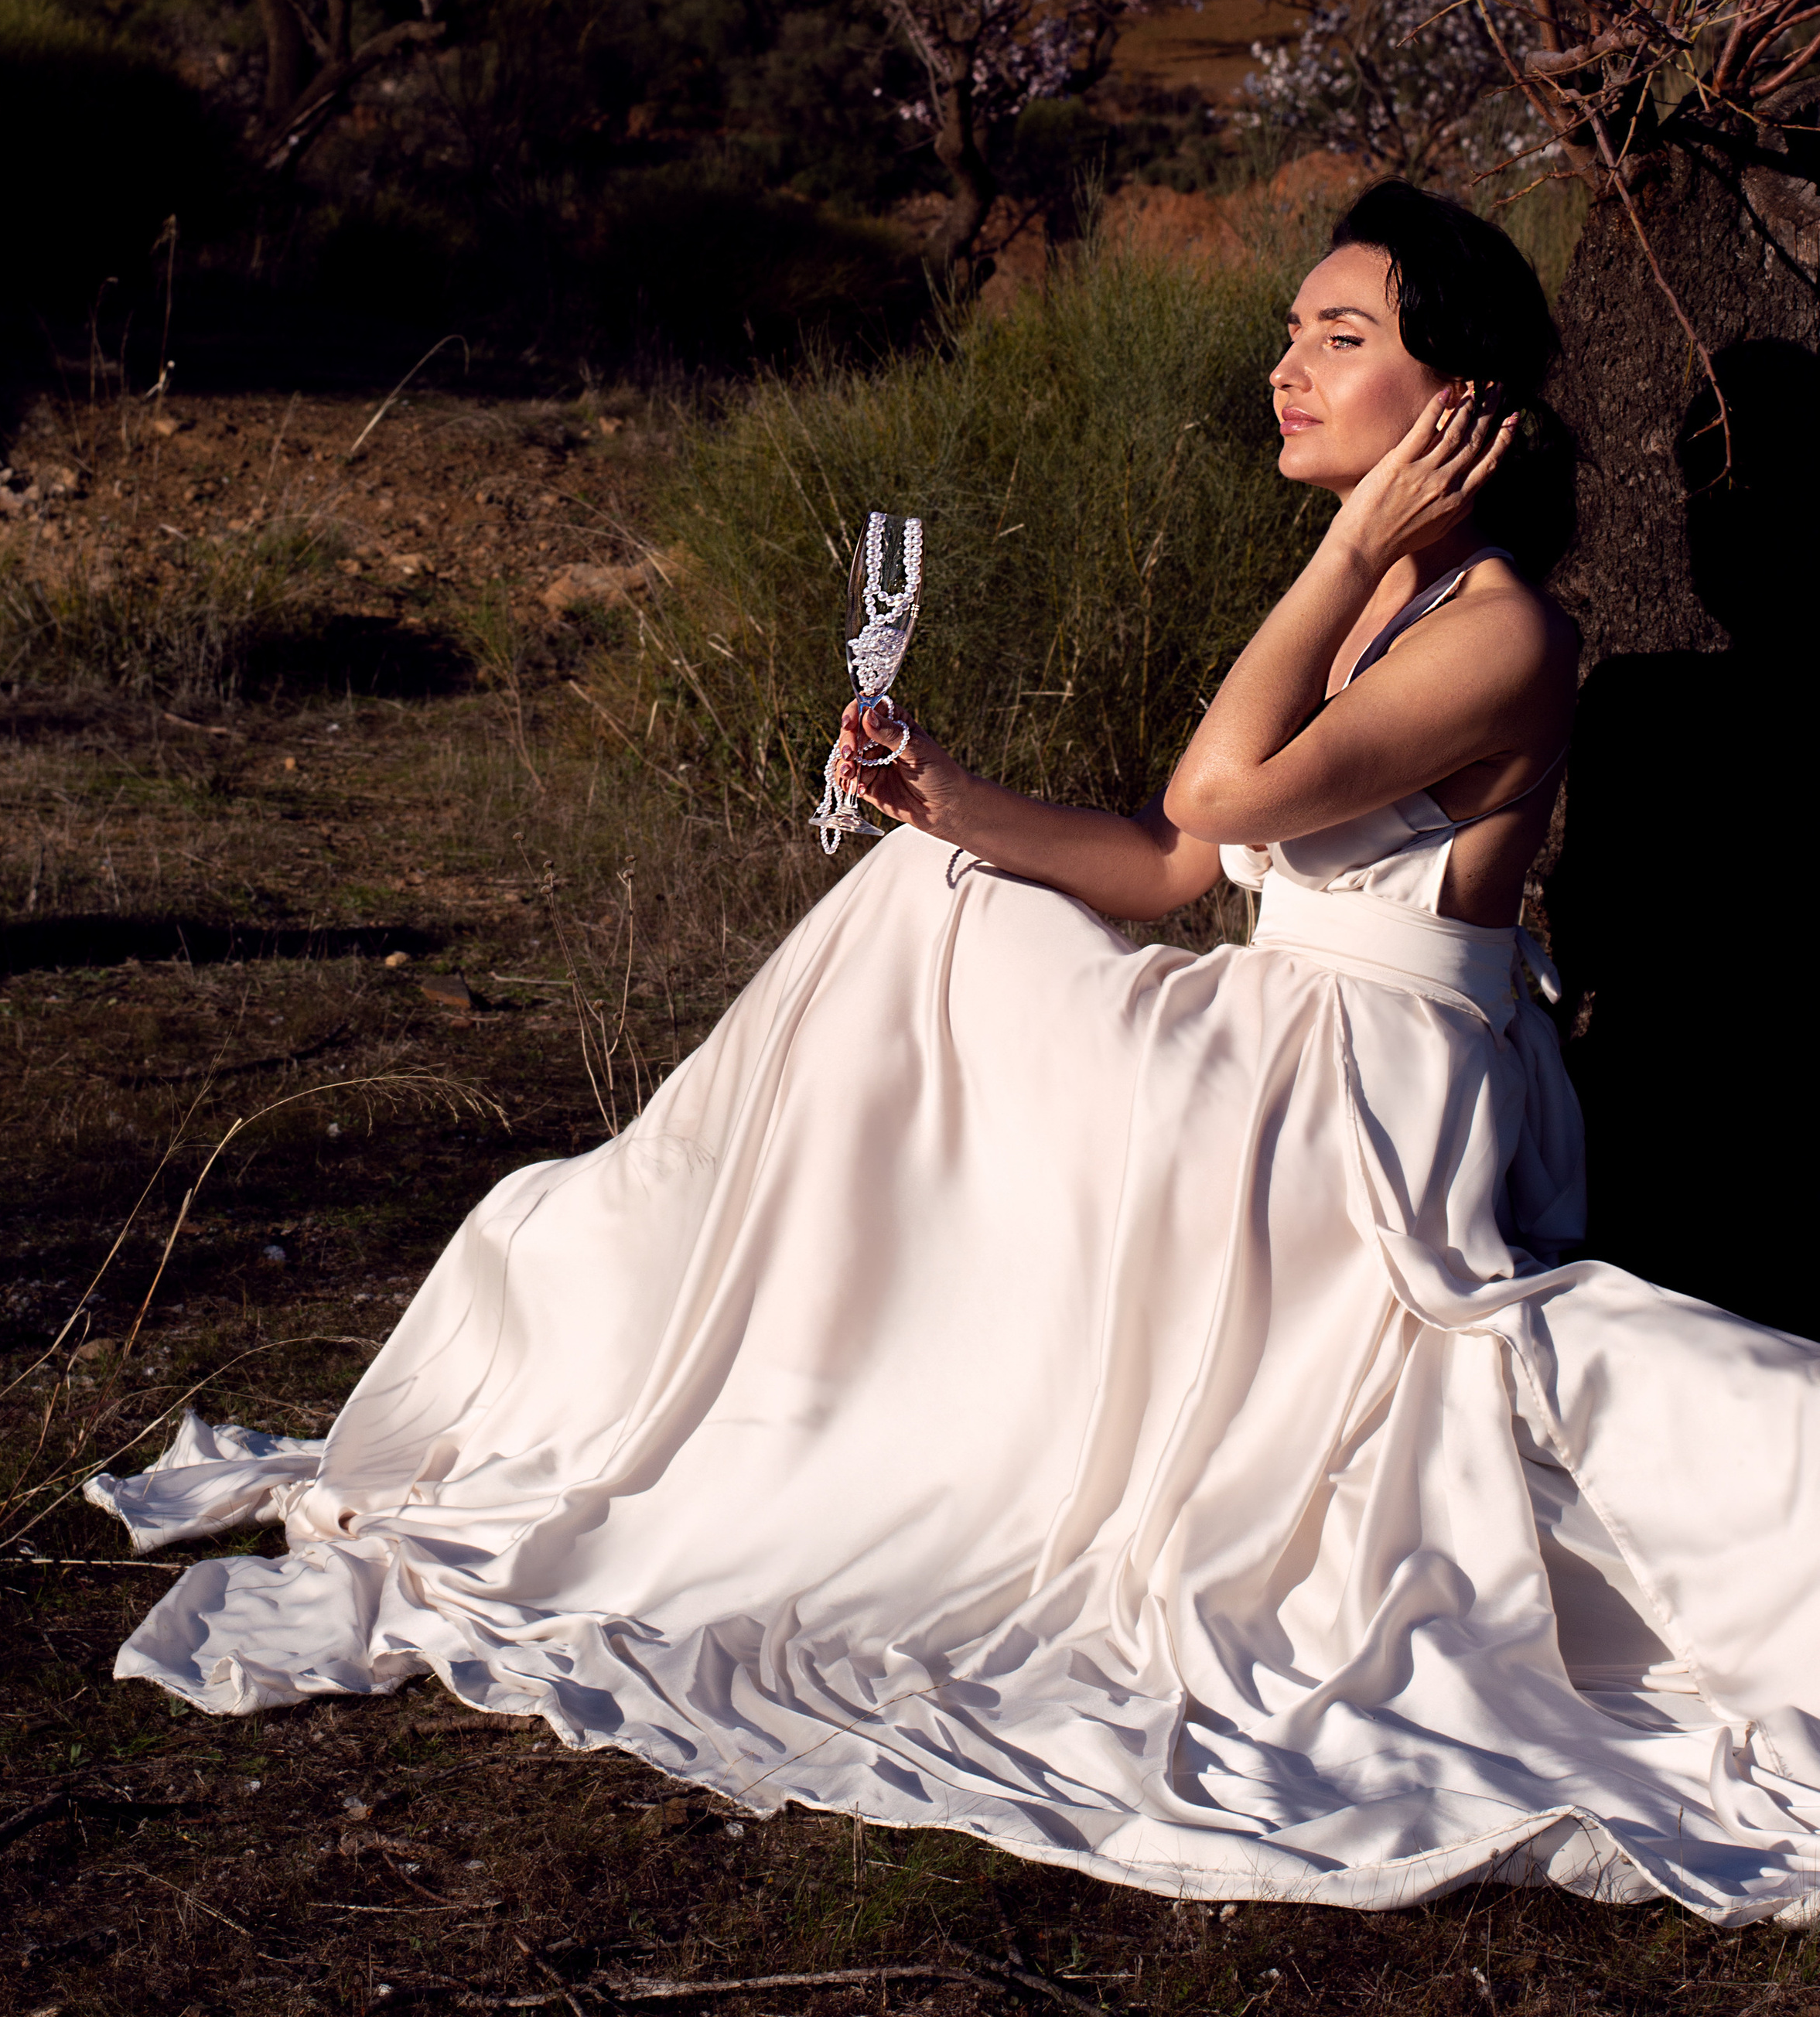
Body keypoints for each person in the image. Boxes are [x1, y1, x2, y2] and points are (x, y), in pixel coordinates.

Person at [90, 182, 1820, 1927]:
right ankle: (755, 1352)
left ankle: (815, 1358)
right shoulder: (1380, 610)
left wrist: (1343, 545)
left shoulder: (1502, 627)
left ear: (1454, 406)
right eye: (1289, 330)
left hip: (1360, 1111)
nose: (1284, 367)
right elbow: (1169, 865)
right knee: (929, 887)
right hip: (1278, 1044)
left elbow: (1216, 800)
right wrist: (948, 798)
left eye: (1339, 338)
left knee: (944, 951)